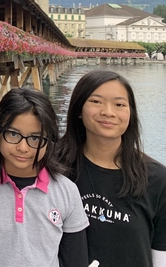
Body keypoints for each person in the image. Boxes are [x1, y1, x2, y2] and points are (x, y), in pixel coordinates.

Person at [0, 88, 89, 267]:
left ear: (49, 139)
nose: (23, 148)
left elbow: (75, 260)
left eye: (35, 138)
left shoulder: (67, 192)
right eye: (13, 134)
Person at [56, 70, 166, 267]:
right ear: (79, 109)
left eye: (119, 104)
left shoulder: (157, 178)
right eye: (96, 101)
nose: (108, 112)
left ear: (130, 113)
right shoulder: (55, 165)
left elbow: (160, 253)